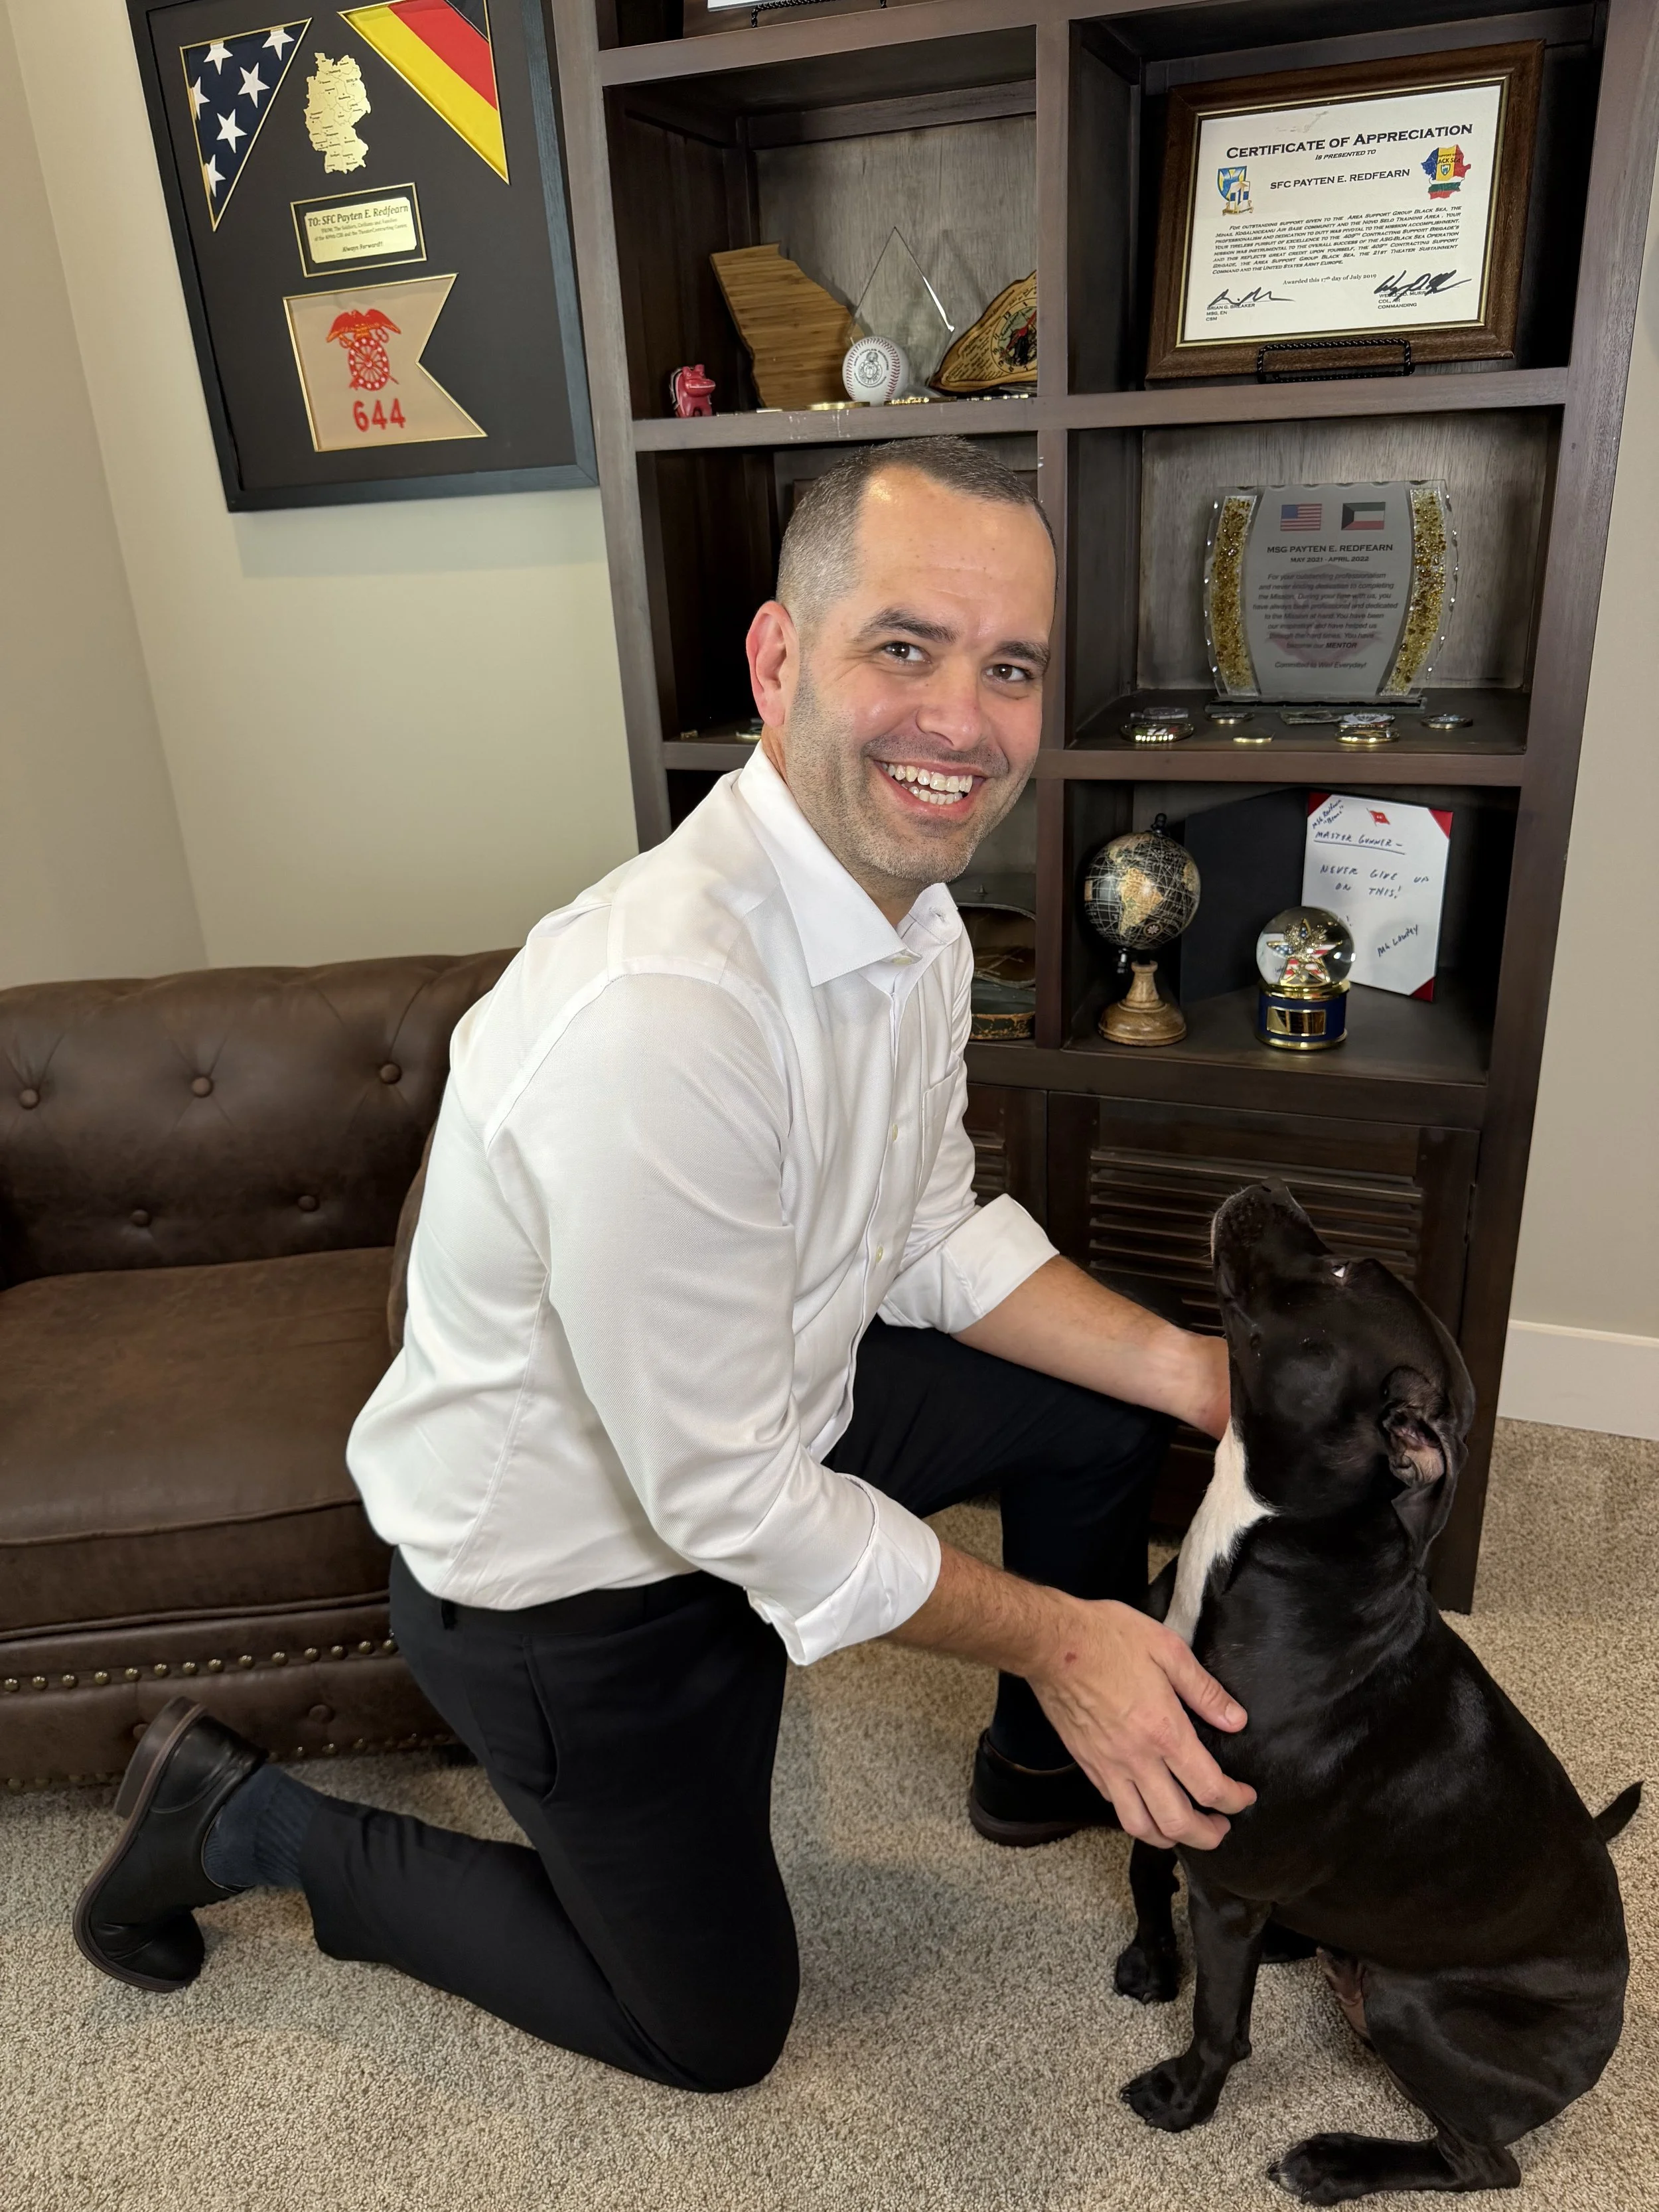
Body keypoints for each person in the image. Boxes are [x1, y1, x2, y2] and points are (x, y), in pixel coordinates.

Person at [74, 437, 1254, 2091]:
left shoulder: (910, 924)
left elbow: (919, 1228)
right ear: (779, 661)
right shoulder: (662, 1013)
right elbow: (727, 1504)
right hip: (570, 1581)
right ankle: (247, 1823)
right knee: (707, 2030)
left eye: (1008, 669)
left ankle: (1035, 1771)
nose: (963, 723)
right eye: (901, 648)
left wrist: (1189, 1369)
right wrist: (1064, 1632)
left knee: (1095, 1415)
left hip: (768, 1420)